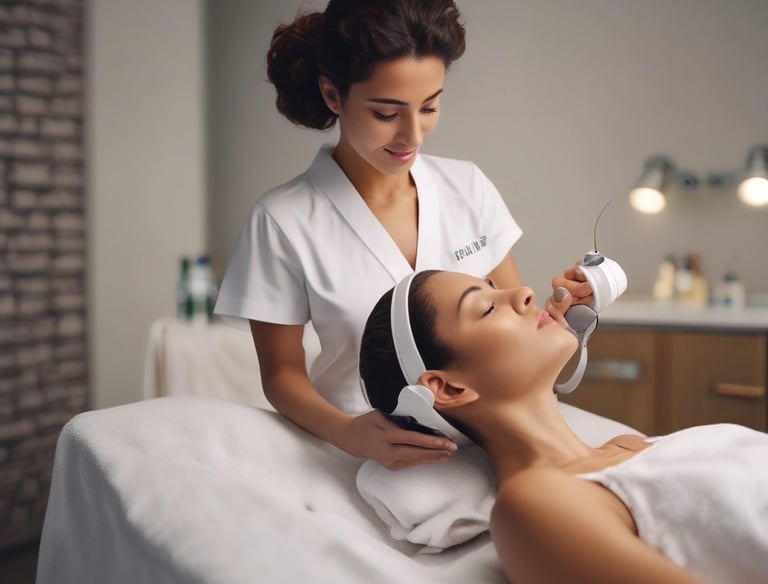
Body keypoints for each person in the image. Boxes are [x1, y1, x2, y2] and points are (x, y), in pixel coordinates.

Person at [214, 0, 590, 470]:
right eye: (387, 113)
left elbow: (512, 314)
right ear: (334, 96)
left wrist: (559, 311)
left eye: (429, 106)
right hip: (362, 450)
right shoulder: (284, 219)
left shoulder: (466, 187)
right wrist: (345, 432)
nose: (413, 134)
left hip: (488, 443)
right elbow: (281, 374)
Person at [359, 269, 768, 584]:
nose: (524, 292)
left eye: (494, 286)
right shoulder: (534, 506)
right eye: (485, 307)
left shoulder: (629, 446)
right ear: (447, 386)